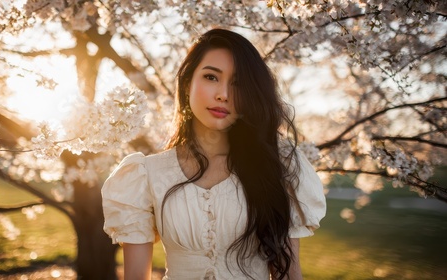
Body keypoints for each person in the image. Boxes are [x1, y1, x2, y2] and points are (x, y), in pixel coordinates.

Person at [102, 28, 326, 280]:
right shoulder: (145, 174)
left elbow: (289, 274)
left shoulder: (278, 166)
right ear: (187, 83)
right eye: (211, 77)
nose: (224, 94)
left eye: (238, 83)